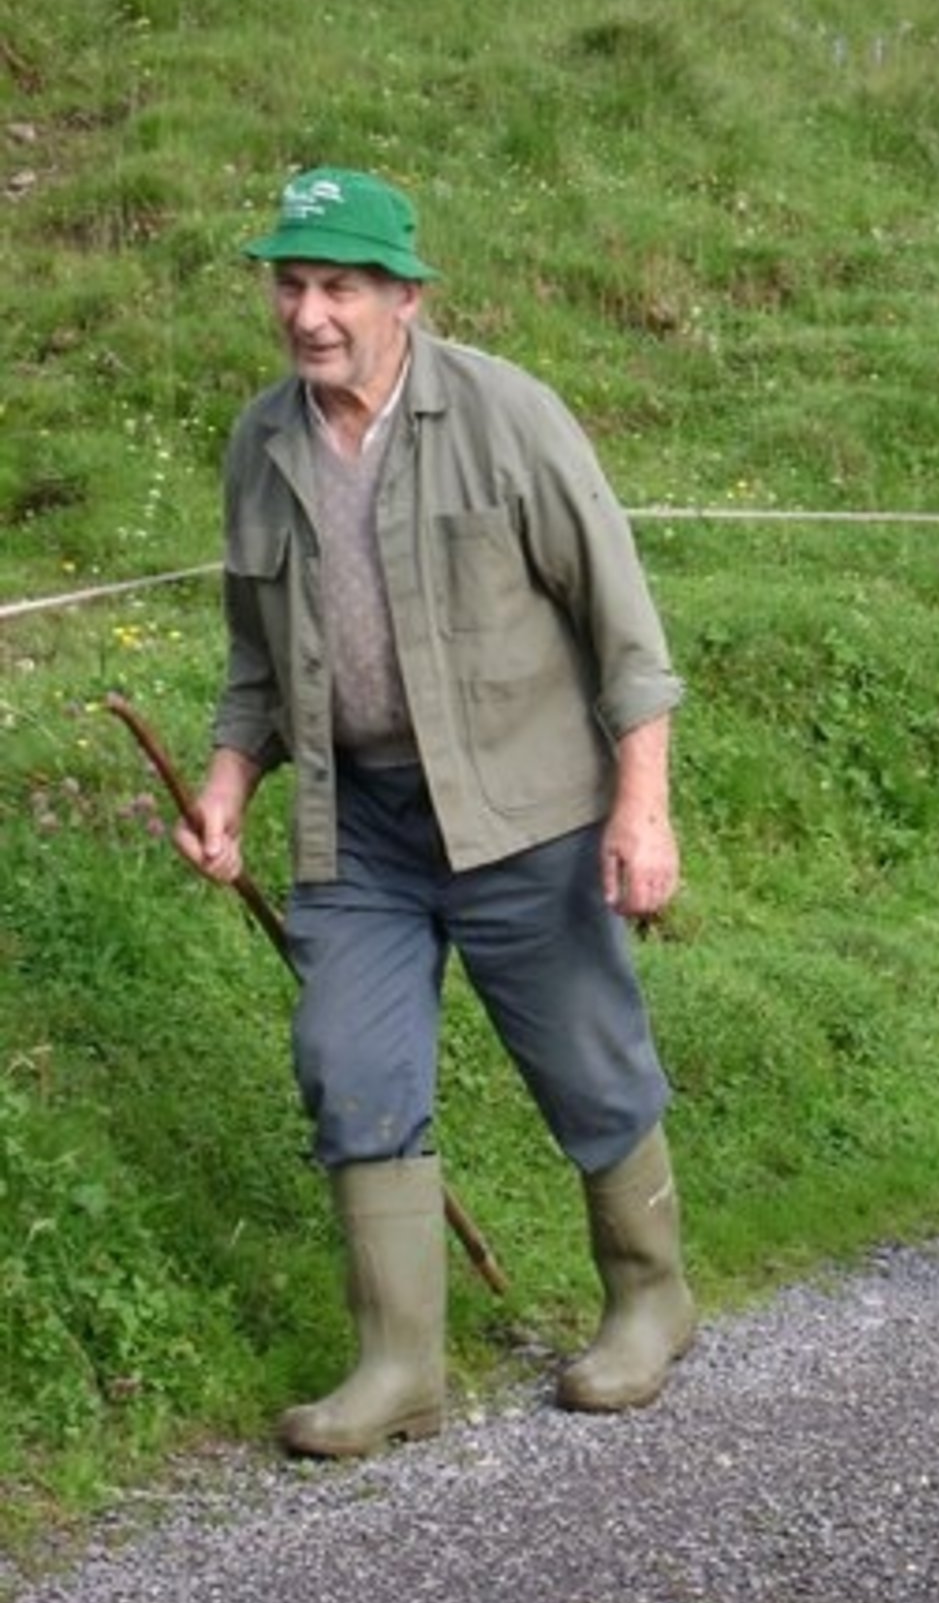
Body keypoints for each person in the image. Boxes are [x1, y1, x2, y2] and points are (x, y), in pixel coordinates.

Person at [175, 166, 696, 1457]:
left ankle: (650, 1299)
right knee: (347, 1068)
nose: (309, 313)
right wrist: (230, 784)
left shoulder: (507, 417)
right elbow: (256, 660)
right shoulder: (263, 442)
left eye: (339, 285)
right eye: (290, 283)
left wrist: (642, 809)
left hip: (526, 814)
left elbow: (625, 635)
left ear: (404, 295)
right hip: (356, 827)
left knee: (587, 1058)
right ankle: (400, 1366)